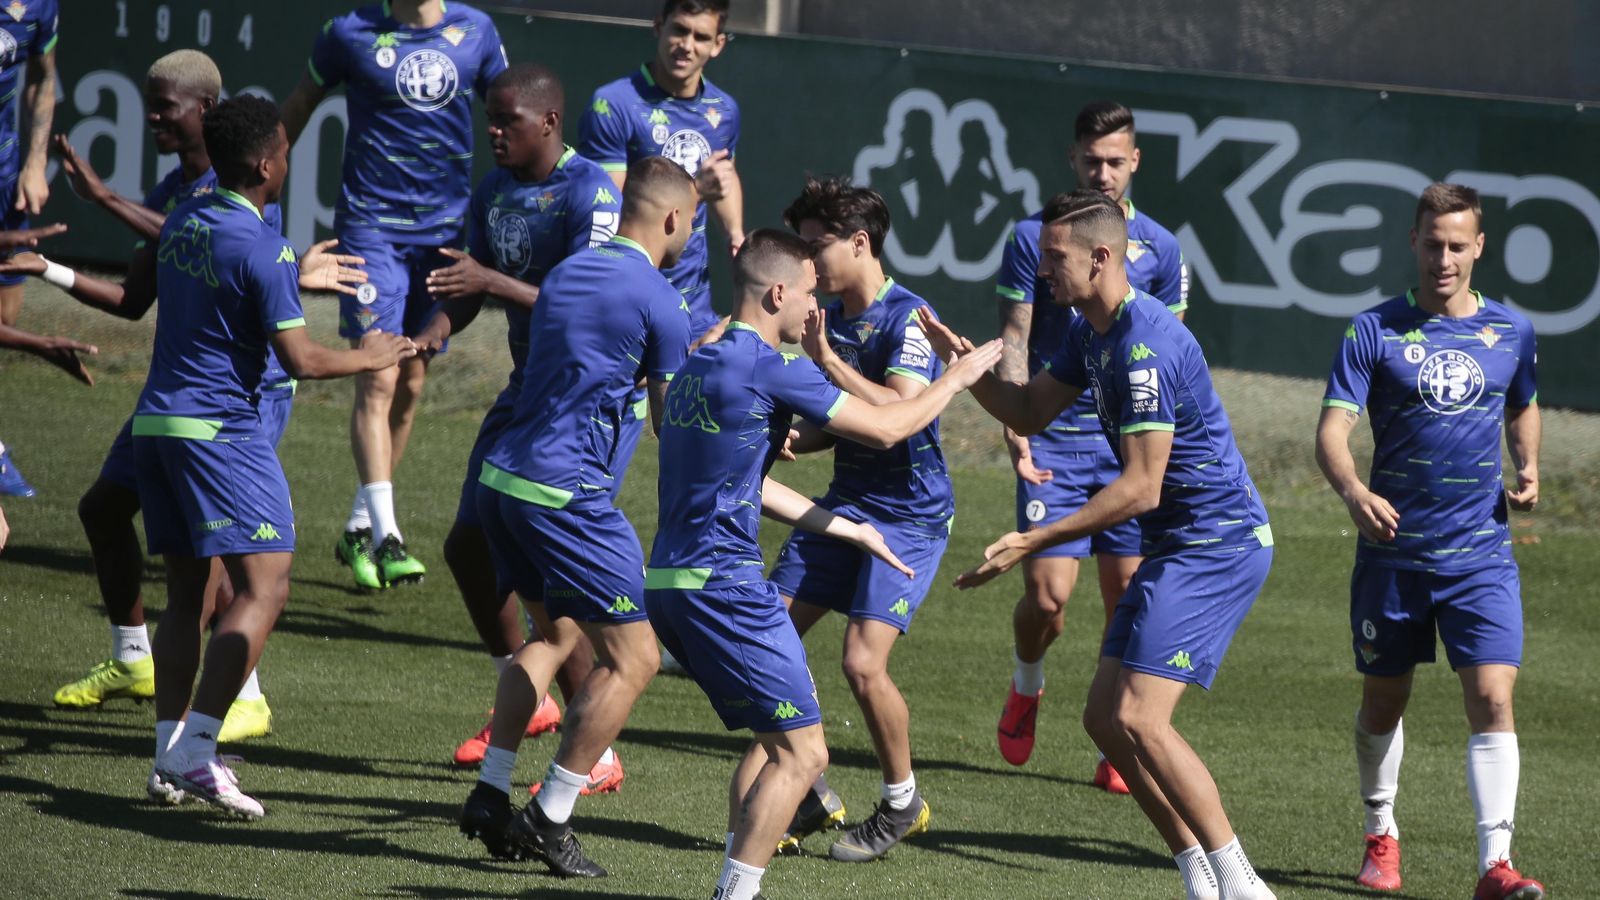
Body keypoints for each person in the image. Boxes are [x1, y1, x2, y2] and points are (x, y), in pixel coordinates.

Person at [926, 190, 1277, 900]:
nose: (1043, 269)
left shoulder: (1145, 346)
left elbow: (1142, 488)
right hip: (1179, 541)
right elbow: (1029, 408)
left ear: (1102, 256)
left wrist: (1034, 538)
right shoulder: (1093, 332)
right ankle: (1198, 877)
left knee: (1140, 719)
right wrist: (965, 373)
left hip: (1217, 544)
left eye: (1055, 258)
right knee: (1103, 721)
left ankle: (1243, 887)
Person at [21, 51, 363, 750]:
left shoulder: (210, 195)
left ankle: (226, 707)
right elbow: (145, 295)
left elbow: (233, 257)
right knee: (120, 518)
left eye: (164, 106)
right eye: (147, 104)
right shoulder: (180, 194)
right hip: (184, 401)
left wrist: (108, 201)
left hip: (238, 399)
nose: (152, 118)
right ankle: (148, 678)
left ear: (206, 112)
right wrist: (52, 269)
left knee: (220, 563)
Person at [646, 228, 1002, 899]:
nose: (816, 309)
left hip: (669, 584)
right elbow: (891, 426)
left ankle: (753, 855)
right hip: (726, 585)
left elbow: (744, 483)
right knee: (804, 753)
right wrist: (955, 378)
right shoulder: (770, 365)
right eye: (808, 294)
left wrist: (851, 532)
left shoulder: (700, 364)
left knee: (781, 748)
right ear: (778, 293)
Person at [139, 95, 414, 818]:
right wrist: (371, 354)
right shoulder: (263, 244)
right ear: (266, 165)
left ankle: (167, 756)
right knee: (267, 588)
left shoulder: (186, 218)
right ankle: (199, 747)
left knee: (185, 595)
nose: (290, 159)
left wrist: (295, 275)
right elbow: (302, 358)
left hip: (156, 426)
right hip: (220, 434)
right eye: (286, 150)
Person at [456, 156, 694, 879]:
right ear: (676, 220)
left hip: (503, 481)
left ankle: (492, 793)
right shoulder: (662, 301)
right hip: (568, 499)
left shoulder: (564, 274)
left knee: (554, 634)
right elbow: (668, 424)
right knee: (637, 657)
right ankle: (550, 815)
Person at [1315, 183, 1544, 900]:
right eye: (1432, 243)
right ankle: (1381, 832)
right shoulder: (1373, 331)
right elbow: (1331, 432)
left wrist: (1528, 463)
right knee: (1384, 705)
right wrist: (1355, 493)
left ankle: (1494, 866)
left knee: (1493, 699)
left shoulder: (1511, 331)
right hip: (1394, 557)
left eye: (1457, 245)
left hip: (1480, 554)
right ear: (1412, 242)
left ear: (1479, 247)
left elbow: (1524, 403)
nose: (1443, 258)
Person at [412, 63, 624, 789]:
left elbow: (591, 305)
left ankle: (595, 748)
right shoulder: (494, 190)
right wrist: (436, 328)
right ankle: (522, 689)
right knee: (468, 543)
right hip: (525, 393)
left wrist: (490, 283)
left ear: (550, 123)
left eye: (508, 122)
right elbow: (466, 290)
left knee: (556, 580)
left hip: (584, 403)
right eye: (489, 121)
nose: (494, 133)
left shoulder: (590, 191)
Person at [280, 0, 508, 590]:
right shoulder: (348, 31)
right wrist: (255, 188)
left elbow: (512, 113)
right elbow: (298, 109)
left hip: (444, 235)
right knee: (378, 374)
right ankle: (388, 534)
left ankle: (360, 523)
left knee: (410, 378)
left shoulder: (477, 31)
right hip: (371, 230)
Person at [994, 101, 1187, 791]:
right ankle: (1027, 683)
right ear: (1073, 159)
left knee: (1126, 594)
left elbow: (1164, 352)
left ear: (1135, 162)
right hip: (1054, 436)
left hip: (1123, 442)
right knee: (1047, 600)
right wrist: (1017, 426)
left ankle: (1114, 735)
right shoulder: (1034, 238)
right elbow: (1016, 336)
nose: (1103, 172)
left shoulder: (1163, 250)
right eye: (1091, 160)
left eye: (1116, 161)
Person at [758, 176, 950, 861]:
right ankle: (808, 790)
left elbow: (894, 420)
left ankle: (901, 803)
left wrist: (830, 363)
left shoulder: (909, 318)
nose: (806, 264)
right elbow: (839, 428)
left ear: (860, 243)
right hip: (848, 503)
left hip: (910, 516)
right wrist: (795, 441)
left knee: (863, 665)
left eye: (816, 247)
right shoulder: (828, 314)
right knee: (765, 641)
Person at [577, 0, 743, 535]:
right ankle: (570, 552)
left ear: (718, 45)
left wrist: (737, 238)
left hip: (692, 305)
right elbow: (612, 208)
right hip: (627, 301)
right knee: (606, 447)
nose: (686, 46)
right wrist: (697, 188)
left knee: (707, 433)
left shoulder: (724, 110)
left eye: (700, 36)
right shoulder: (614, 105)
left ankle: (704, 558)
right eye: (678, 31)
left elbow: (724, 182)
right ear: (658, 27)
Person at [0, 0, 58, 497]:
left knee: (5, 318)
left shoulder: (39, 4)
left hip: (3, 168)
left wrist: (35, 162)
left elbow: (42, 76)